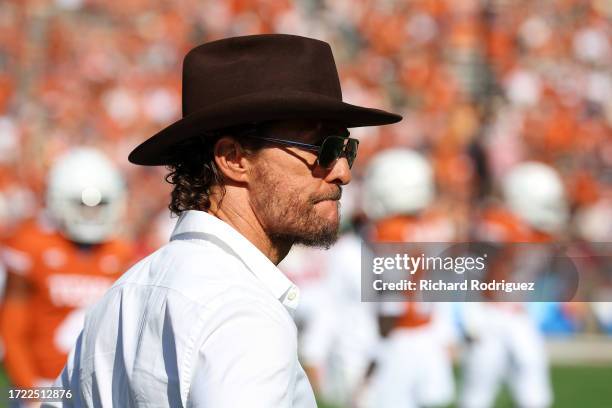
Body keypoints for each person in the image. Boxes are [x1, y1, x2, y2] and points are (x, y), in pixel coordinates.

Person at [45, 34, 401, 407]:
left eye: (347, 149)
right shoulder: (243, 314)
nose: (342, 171)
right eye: (323, 149)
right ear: (233, 158)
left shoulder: (122, 295)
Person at [0, 147, 134, 389]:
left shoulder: (120, 252)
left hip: (98, 388)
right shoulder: (31, 246)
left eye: (98, 205)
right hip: (42, 385)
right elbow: (11, 331)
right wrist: (30, 391)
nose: (90, 214)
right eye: (82, 206)